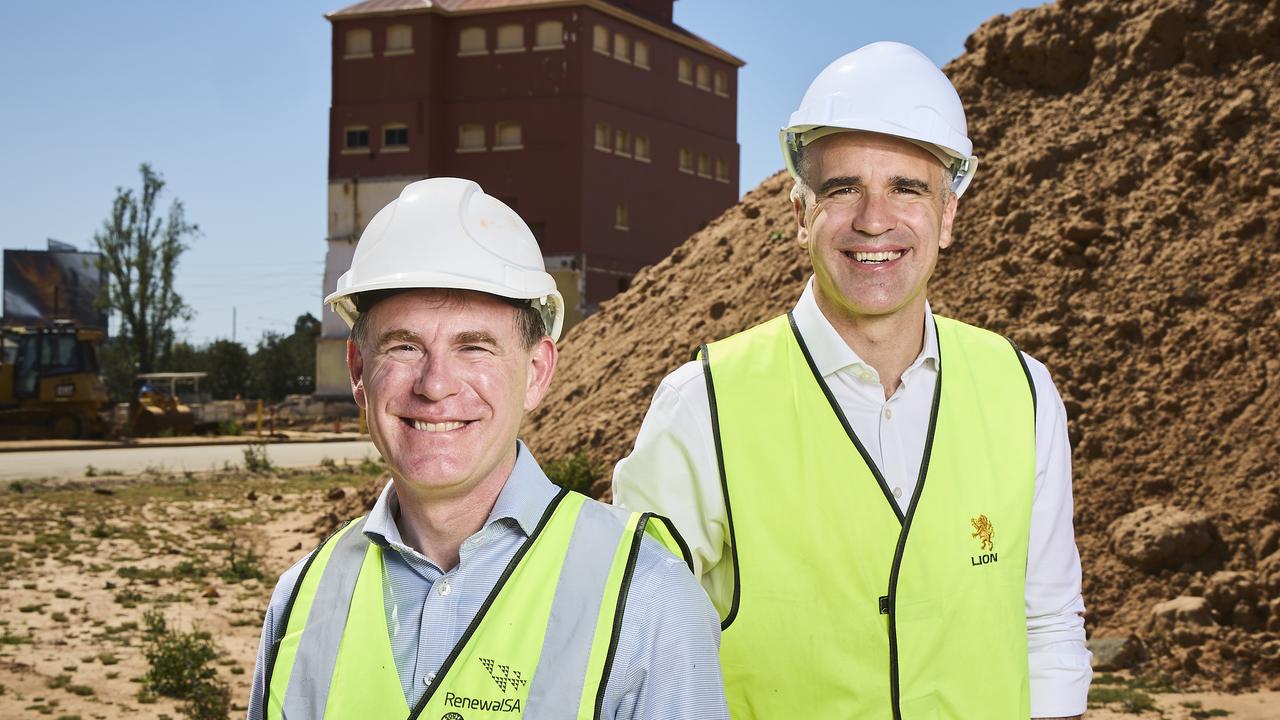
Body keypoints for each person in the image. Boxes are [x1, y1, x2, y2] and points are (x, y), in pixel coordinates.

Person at [613, 42, 1091, 719]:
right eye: (843, 188)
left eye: (906, 187)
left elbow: (1048, 630)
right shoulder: (705, 403)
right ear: (799, 212)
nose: (874, 219)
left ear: (948, 215)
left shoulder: (1021, 391)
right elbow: (630, 652)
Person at [246, 178, 727, 720]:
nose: (435, 385)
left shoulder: (646, 595)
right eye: (405, 347)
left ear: (537, 372)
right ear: (359, 372)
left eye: (474, 347)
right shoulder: (300, 601)